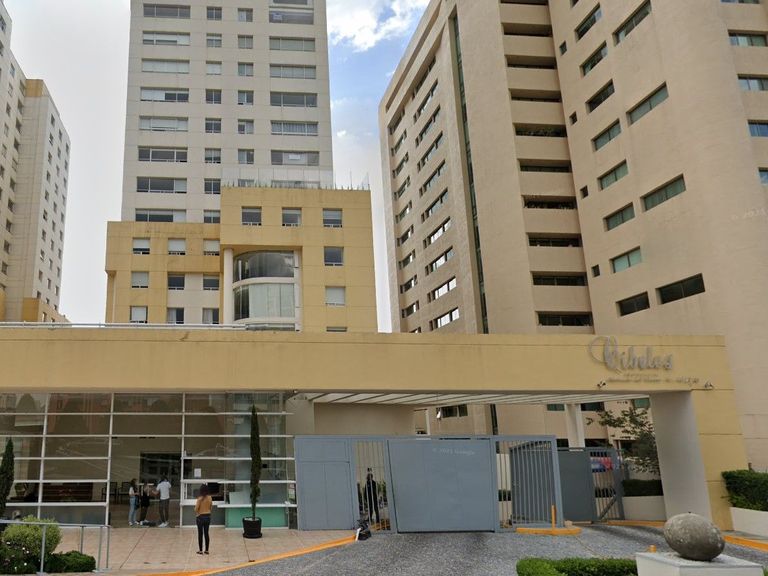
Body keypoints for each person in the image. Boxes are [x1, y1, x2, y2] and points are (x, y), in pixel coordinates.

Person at [194, 484, 213, 555]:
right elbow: (211, 507)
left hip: (200, 518)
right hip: (208, 517)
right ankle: (207, 550)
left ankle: (200, 550)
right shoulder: (210, 498)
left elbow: (196, 509)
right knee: (206, 533)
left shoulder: (199, 499)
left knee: (200, 534)